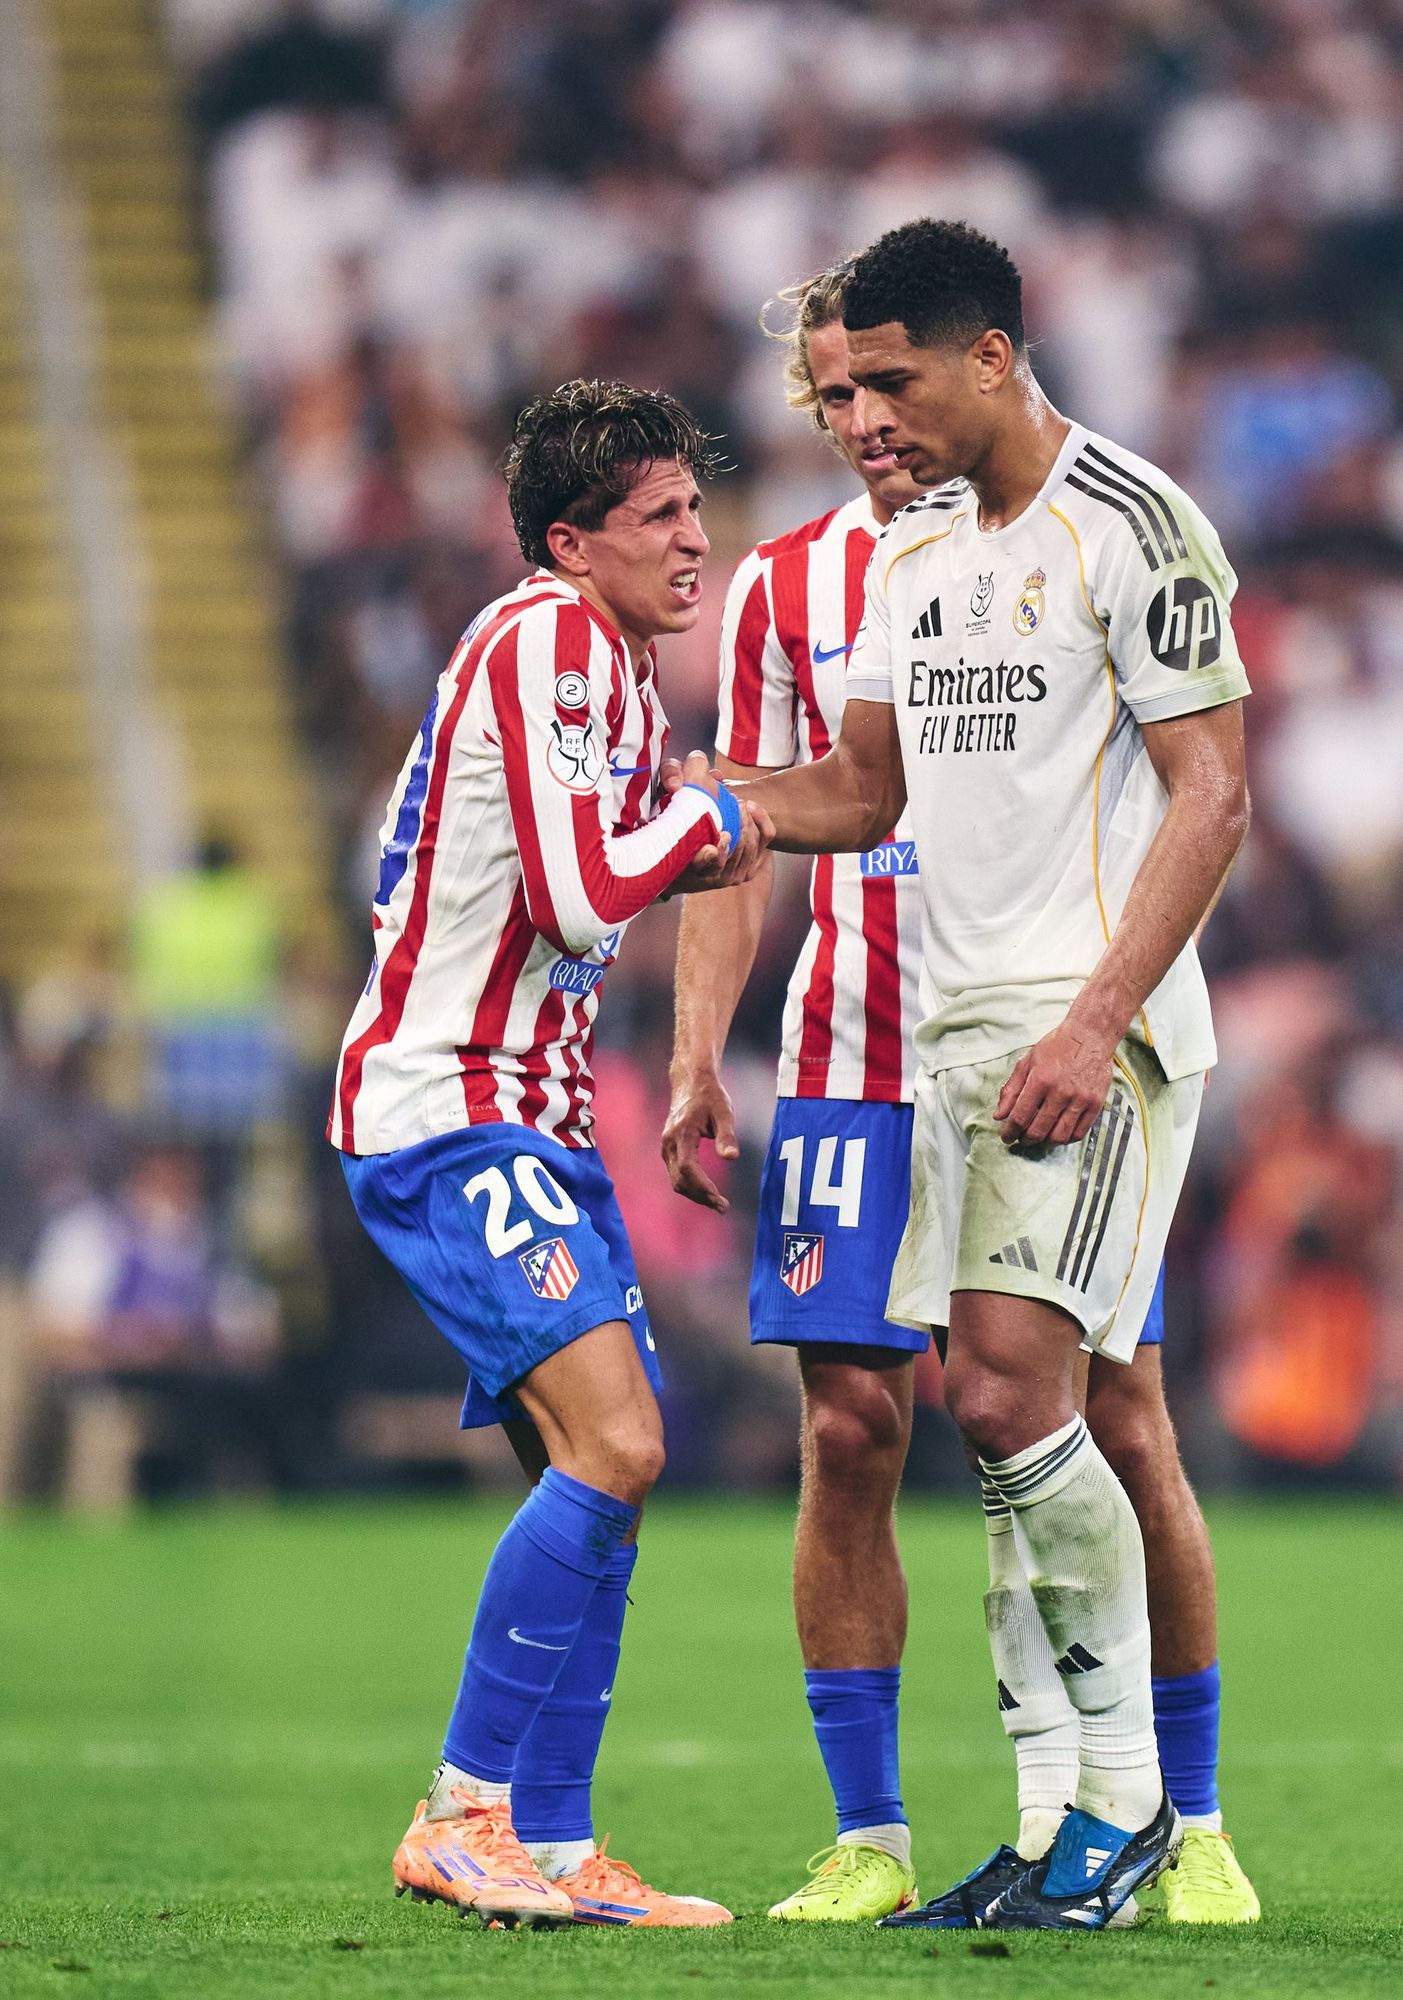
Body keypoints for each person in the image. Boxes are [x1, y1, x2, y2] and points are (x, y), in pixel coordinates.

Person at [666, 259, 1261, 1928]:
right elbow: (863, 791)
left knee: (1015, 1406)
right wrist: (707, 810)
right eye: (840, 396)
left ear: (992, 358)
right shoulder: (912, 548)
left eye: (891, 387)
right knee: (997, 1431)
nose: (862, 422)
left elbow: (1212, 794)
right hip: (943, 1046)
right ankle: (1051, 1820)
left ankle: (1141, 1813)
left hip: (1094, 1037)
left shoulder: (1135, 522)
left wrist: (1096, 1019)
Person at [330, 379, 767, 1930]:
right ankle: (461, 1812)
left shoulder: (614, 676)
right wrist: (712, 823)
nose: (695, 541)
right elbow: (591, 893)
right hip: (451, 1105)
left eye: (699, 510)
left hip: (535, 1116)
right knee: (624, 1446)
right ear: (573, 543)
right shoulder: (549, 639)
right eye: (660, 517)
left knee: (605, 1469)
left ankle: (563, 1846)